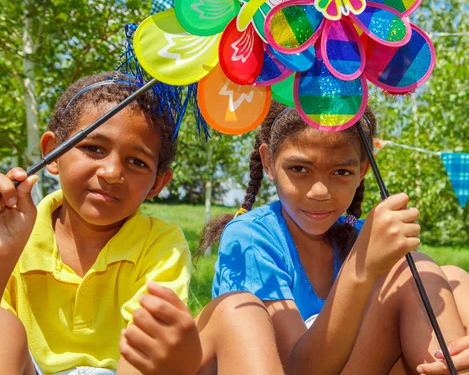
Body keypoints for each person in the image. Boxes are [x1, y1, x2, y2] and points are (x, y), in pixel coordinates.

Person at [204, 102, 469, 374]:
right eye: (299, 169)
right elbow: (298, 367)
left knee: (447, 274)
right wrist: (360, 269)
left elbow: (467, 296)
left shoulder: (360, 234)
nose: (320, 191)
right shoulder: (251, 237)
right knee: (414, 271)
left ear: (362, 171)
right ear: (268, 162)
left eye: (341, 172)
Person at [0, 72, 283, 375]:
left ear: (157, 184)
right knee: (5, 326)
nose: (111, 172)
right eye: (93, 148)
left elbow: (144, 356)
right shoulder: (16, 226)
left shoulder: (159, 245)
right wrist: (5, 251)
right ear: (51, 153)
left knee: (240, 310)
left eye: (137, 162)